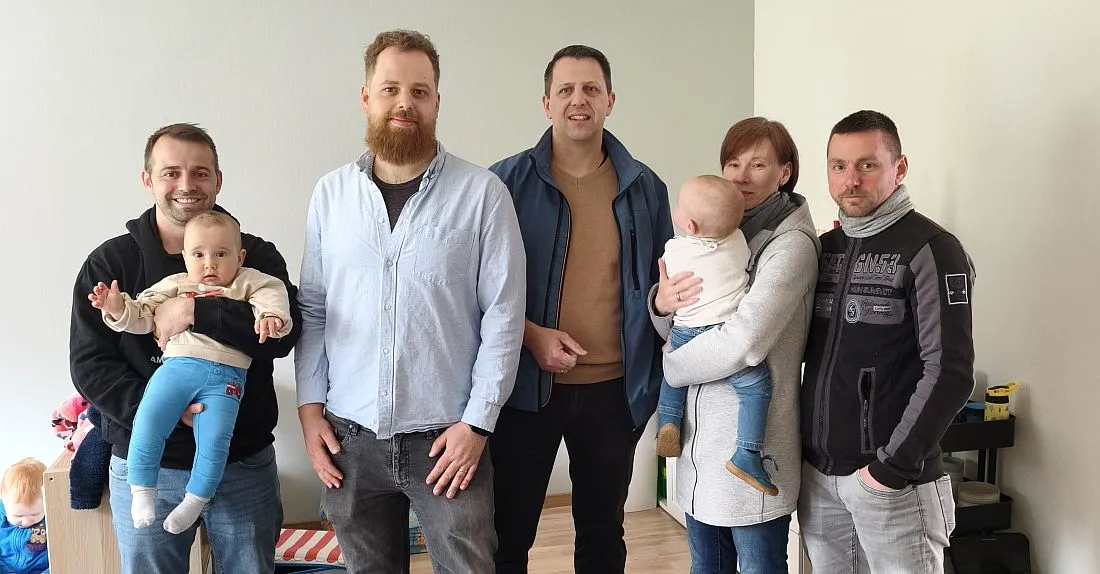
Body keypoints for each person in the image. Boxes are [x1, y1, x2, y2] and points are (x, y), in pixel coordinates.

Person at [294, 29, 526, 574]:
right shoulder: (331, 195)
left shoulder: (482, 194)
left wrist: (478, 425)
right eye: (390, 89)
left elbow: (503, 316)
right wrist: (308, 411)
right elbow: (314, 309)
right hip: (348, 439)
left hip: (448, 441)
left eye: (419, 92)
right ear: (366, 97)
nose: (405, 103)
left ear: (437, 102)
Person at [70, 122, 302, 573]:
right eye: (171, 172)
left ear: (218, 180)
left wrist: (196, 311)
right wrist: (164, 406)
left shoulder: (255, 256)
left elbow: (284, 338)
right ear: (147, 180)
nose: (186, 184)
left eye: (200, 173)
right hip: (148, 463)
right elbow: (89, 364)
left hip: (242, 460)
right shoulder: (110, 262)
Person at [488, 44, 674, 574]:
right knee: (507, 534)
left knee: (602, 533)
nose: (578, 100)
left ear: (609, 101)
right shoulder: (503, 183)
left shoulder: (646, 188)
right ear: (546, 102)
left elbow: (661, 287)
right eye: (565, 89)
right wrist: (531, 335)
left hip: (615, 393)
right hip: (525, 389)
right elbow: (475, 289)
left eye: (591, 89)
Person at [798, 110, 974, 574]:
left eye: (867, 165)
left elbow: (950, 372)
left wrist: (888, 470)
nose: (850, 180)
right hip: (819, 480)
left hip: (893, 486)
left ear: (900, 168)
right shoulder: (825, 248)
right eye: (838, 166)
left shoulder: (933, 249)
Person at [651, 117, 819, 573]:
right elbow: (680, 323)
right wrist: (662, 304)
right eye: (732, 163)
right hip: (699, 450)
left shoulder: (791, 246)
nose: (742, 176)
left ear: (784, 172)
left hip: (752, 453)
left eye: (758, 164)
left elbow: (744, 343)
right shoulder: (711, 236)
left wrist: (671, 368)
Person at [88, 210, 292, 534]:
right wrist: (117, 308)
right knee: (149, 419)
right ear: (185, 257)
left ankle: (195, 499)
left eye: (221, 254)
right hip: (177, 369)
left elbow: (274, 297)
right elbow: (141, 316)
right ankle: (142, 490)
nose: (210, 264)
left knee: (215, 441)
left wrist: (271, 316)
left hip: (226, 380)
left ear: (239, 257)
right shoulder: (175, 284)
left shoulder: (249, 280)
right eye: (198, 255)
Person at [656, 175, 777, 496]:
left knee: (673, 374)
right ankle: (747, 452)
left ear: (690, 226)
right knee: (756, 387)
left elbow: (667, 280)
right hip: (721, 331)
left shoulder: (674, 249)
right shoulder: (739, 242)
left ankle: (668, 421)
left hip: (684, 330)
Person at [0, 458, 49, 573]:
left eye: (35, 514)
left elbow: (60, 555)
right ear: (3, 502)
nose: (26, 521)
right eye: (18, 516)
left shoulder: (51, 522)